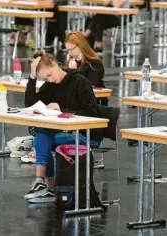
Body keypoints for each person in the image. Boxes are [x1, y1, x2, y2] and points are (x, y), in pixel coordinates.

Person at [23, 51, 104, 202]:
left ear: (55, 64)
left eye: (50, 74)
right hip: (65, 130)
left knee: (43, 139)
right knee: (43, 135)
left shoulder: (79, 81)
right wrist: (32, 77)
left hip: (87, 133)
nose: (50, 79)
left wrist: (62, 110)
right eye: (45, 77)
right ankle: (44, 185)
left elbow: (92, 112)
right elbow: (30, 105)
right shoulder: (50, 86)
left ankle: (45, 184)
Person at [64, 31, 107, 106]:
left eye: (72, 49)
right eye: (68, 50)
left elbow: (87, 87)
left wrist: (74, 71)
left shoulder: (95, 63)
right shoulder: (71, 62)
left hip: (90, 105)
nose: (70, 53)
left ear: (80, 46)